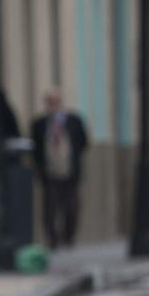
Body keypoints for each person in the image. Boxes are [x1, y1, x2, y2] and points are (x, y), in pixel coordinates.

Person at [30, 88, 88, 249]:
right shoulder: (39, 124)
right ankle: (52, 239)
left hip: (69, 170)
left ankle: (68, 236)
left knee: (71, 207)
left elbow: (83, 142)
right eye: (50, 102)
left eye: (55, 102)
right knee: (50, 207)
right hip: (50, 172)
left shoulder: (74, 121)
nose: (53, 105)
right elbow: (36, 148)